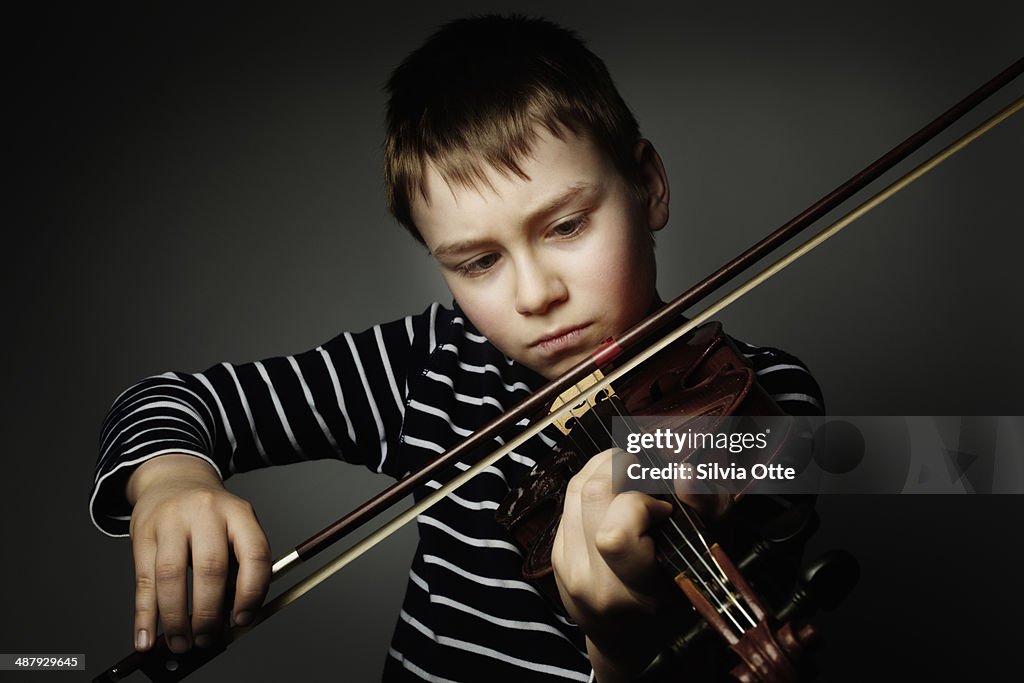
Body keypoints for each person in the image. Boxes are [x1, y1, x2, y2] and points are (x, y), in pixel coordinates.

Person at [91, 14, 823, 682]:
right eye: (478, 262)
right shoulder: (431, 364)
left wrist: (617, 647)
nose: (535, 294)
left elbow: (909, 458)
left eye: (565, 226)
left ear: (649, 185)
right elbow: (168, 399)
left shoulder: (764, 390)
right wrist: (170, 482)